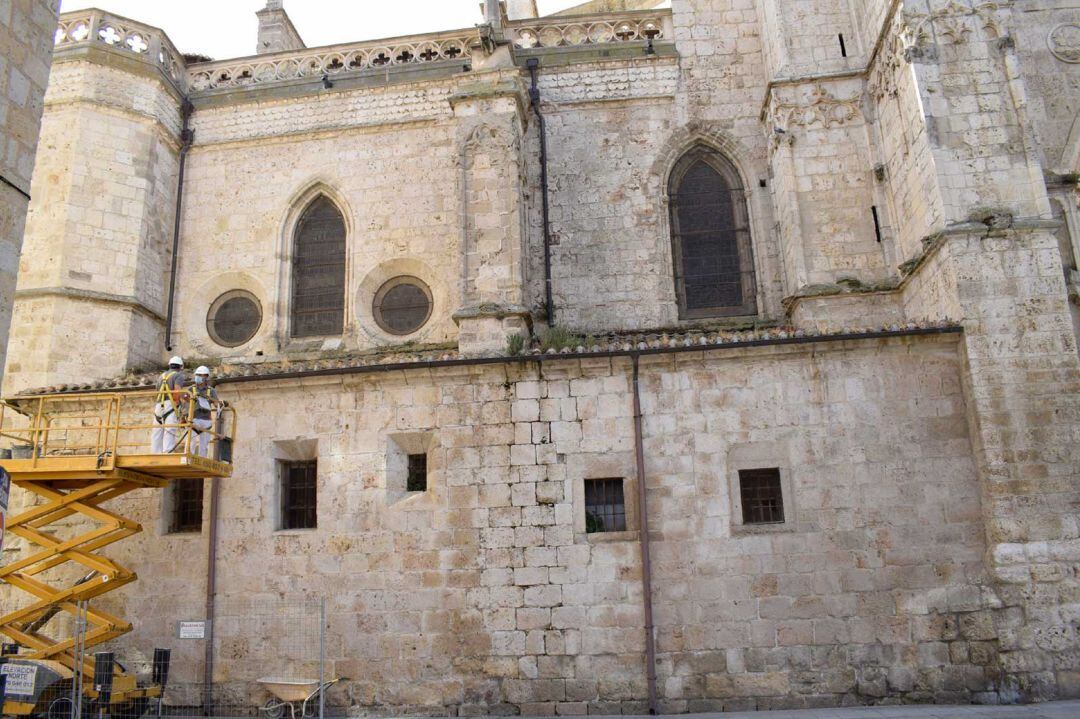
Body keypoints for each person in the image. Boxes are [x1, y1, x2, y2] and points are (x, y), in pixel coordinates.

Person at [152, 356, 186, 453]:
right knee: (170, 429)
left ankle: (155, 453)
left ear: (170, 365)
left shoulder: (161, 376)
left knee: (157, 431)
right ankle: (168, 452)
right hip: (170, 404)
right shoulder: (178, 376)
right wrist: (179, 402)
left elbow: (157, 390)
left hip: (159, 405)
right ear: (180, 366)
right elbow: (177, 390)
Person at [190, 366, 222, 458]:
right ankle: (188, 459)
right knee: (191, 442)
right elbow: (184, 402)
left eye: (200, 375)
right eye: (197, 375)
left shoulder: (211, 391)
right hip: (193, 419)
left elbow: (216, 404)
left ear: (206, 377)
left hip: (206, 420)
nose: (198, 377)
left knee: (204, 444)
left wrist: (220, 404)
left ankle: (202, 460)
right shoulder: (190, 389)